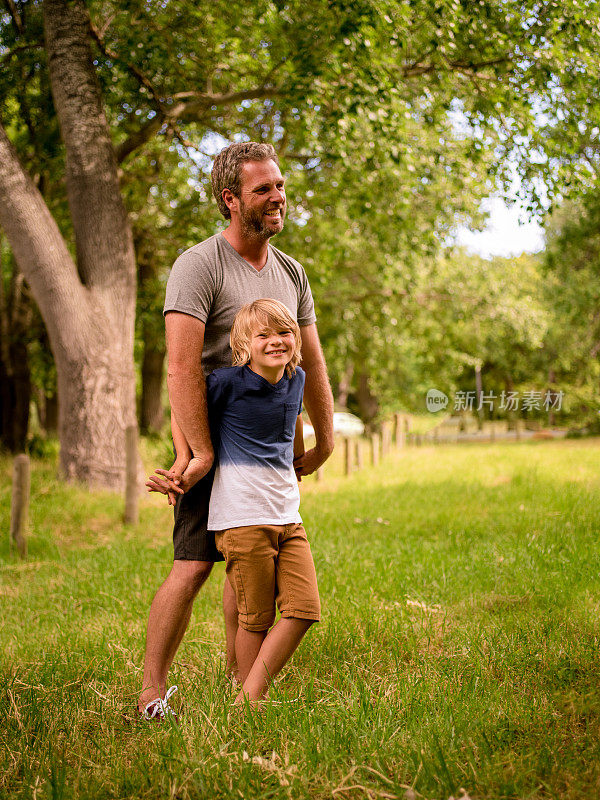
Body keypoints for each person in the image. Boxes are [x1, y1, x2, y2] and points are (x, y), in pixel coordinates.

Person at [138, 142, 334, 720]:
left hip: (265, 447)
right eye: (263, 189)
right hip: (209, 431)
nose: (278, 197)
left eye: (279, 185)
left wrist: (326, 437)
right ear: (230, 200)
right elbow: (181, 366)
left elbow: (312, 362)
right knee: (195, 562)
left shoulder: (289, 271)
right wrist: (196, 450)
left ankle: (239, 683)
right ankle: (150, 691)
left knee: (249, 567)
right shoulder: (198, 266)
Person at [208, 298, 321, 703]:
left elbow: (294, 419)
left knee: (304, 608)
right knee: (255, 619)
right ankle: (248, 700)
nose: (276, 341)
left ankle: (248, 692)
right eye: (264, 335)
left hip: (287, 514)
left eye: (284, 332)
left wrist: (298, 462)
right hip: (242, 517)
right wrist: (185, 462)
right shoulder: (226, 382)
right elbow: (184, 412)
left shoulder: (297, 380)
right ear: (244, 344)